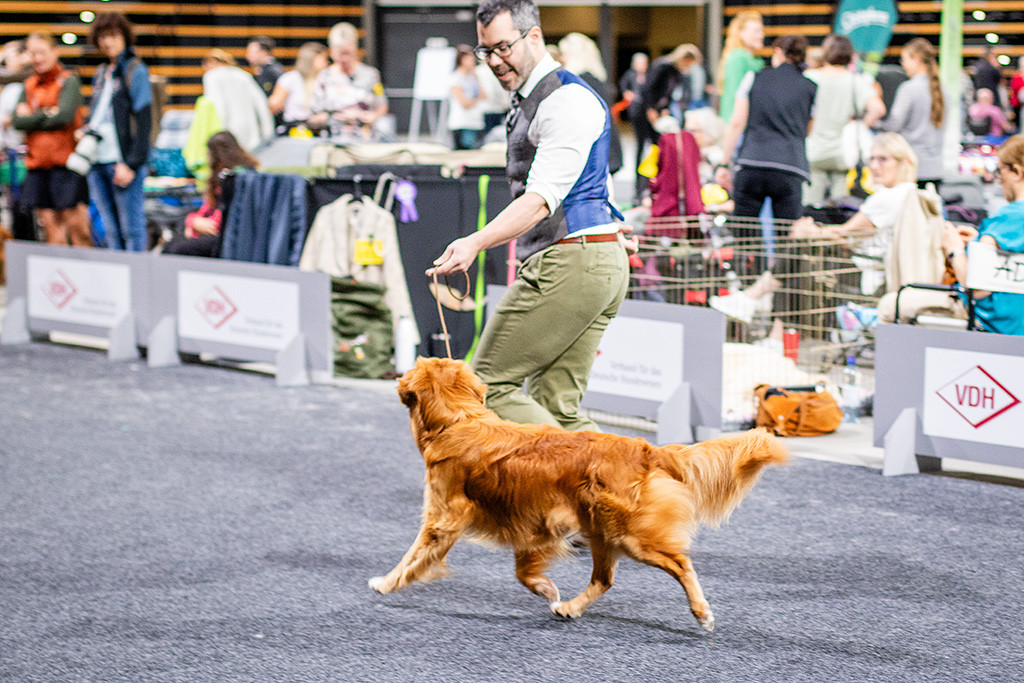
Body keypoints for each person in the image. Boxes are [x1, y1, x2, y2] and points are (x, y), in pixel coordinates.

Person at [427, 0, 631, 431]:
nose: (495, 61)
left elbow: (541, 199)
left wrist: (475, 241)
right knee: (558, 411)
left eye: (503, 47)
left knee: (485, 386)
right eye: (486, 51)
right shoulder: (542, 97)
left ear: (534, 36)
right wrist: (611, 224)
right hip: (590, 258)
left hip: (571, 261)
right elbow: (594, 175)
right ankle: (618, 491)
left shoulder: (564, 99)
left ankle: (617, 479)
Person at [791, 133, 923, 297]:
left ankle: (757, 298)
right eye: (872, 159)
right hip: (882, 269)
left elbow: (845, 233)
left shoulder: (887, 197)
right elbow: (853, 236)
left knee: (799, 255)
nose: (874, 166)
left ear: (903, 163)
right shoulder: (912, 192)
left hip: (872, 274)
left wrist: (809, 232)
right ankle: (758, 299)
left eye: (883, 159)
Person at [717, 35, 816, 226]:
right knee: (786, 238)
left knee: (745, 236)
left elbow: (736, 122)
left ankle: (747, 257)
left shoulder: (754, 78)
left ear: (778, 52)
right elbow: (808, 130)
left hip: (752, 162)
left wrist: (723, 164)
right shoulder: (811, 87)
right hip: (790, 166)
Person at [12, 33, 91, 247]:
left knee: (78, 230)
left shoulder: (68, 81)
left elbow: (64, 116)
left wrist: (33, 117)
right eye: (33, 53)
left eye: (42, 53)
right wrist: (47, 114)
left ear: (54, 52)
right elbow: (18, 121)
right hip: (38, 167)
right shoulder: (28, 85)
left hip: (66, 167)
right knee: (52, 232)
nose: (38, 58)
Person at [941, 134, 1024, 335]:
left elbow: (978, 288)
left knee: (894, 306)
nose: (998, 179)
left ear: (1016, 171)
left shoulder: (1009, 218)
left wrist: (955, 250)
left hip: (998, 331)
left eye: (1000, 170)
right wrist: (979, 241)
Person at [85, 12, 152, 252]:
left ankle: (137, 284)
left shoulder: (136, 69)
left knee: (131, 229)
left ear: (124, 36)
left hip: (123, 161)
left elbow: (145, 122)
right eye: (102, 37)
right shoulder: (102, 72)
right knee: (110, 228)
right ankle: (119, 283)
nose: (107, 42)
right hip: (96, 159)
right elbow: (99, 113)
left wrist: (132, 164)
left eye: (112, 35)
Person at [803, 34, 886, 205]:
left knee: (810, 206)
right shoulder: (856, 81)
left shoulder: (810, 77)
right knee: (842, 205)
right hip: (843, 153)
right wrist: (862, 124)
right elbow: (878, 109)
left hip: (813, 150)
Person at [162, 131, 257, 258]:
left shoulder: (241, 177)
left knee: (176, 248)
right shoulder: (218, 177)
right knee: (171, 243)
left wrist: (201, 223)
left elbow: (230, 213)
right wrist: (193, 221)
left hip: (226, 233)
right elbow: (208, 206)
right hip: (212, 225)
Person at [632, 45, 698, 202]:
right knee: (645, 148)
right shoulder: (662, 67)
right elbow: (648, 89)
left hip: (659, 112)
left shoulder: (676, 72)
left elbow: (667, 94)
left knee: (658, 148)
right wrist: (650, 109)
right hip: (645, 112)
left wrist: (664, 109)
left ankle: (652, 185)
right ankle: (640, 188)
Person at [308, 22, 389, 140]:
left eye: (349, 53)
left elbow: (382, 105)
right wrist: (336, 117)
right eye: (341, 54)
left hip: (366, 138)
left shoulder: (371, 74)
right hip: (333, 138)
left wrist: (373, 116)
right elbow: (314, 116)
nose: (345, 58)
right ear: (332, 52)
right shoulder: (324, 77)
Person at [884, 38, 946, 191]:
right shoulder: (944, 90)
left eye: (904, 59)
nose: (903, 65)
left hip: (911, 168)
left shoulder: (908, 89)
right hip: (936, 168)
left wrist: (877, 125)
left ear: (916, 59)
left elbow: (895, 124)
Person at [556, 32, 622, 174]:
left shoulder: (581, 81)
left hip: (594, 158)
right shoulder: (593, 79)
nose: (561, 58)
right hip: (602, 155)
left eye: (563, 53)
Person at [198, 49, 274, 152]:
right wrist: (268, 133)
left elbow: (218, 105)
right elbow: (262, 104)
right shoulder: (243, 75)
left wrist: (219, 133)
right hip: (250, 130)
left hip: (227, 129)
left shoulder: (211, 76)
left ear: (212, 62)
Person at [267, 41, 328, 131]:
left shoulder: (324, 79)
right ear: (311, 59)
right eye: (324, 59)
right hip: (294, 129)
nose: (326, 63)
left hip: (319, 130)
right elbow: (273, 105)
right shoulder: (291, 78)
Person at [716, 10, 764, 123]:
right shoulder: (738, 58)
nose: (761, 35)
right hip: (740, 126)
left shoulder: (752, 59)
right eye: (756, 31)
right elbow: (735, 96)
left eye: (761, 30)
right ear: (740, 33)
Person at [447, 45, 484, 150]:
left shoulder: (473, 77)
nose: (473, 61)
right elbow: (465, 103)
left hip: (476, 122)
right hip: (461, 123)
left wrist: (475, 75)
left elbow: (484, 95)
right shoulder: (455, 78)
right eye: (470, 59)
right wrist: (477, 99)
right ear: (462, 60)